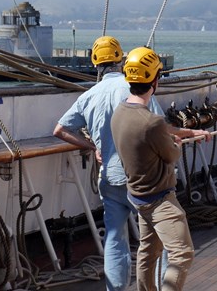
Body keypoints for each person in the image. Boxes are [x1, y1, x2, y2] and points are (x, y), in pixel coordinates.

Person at [53, 36, 165, 291]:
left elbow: (59, 130)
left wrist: (93, 147)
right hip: (141, 178)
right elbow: (159, 126)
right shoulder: (135, 89)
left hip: (110, 178)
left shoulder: (88, 96)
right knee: (161, 237)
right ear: (121, 60)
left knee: (115, 239)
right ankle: (161, 286)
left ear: (95, 64)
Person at [111, 46, 211, 291]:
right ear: (154, 80)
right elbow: (171, 155)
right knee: (182, 253)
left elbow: (150, 136)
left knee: (149, 251)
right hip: (160, 200)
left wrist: (185, 133)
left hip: (138, 196)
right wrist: (176, 143)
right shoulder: (152, 121)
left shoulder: (120, 112)